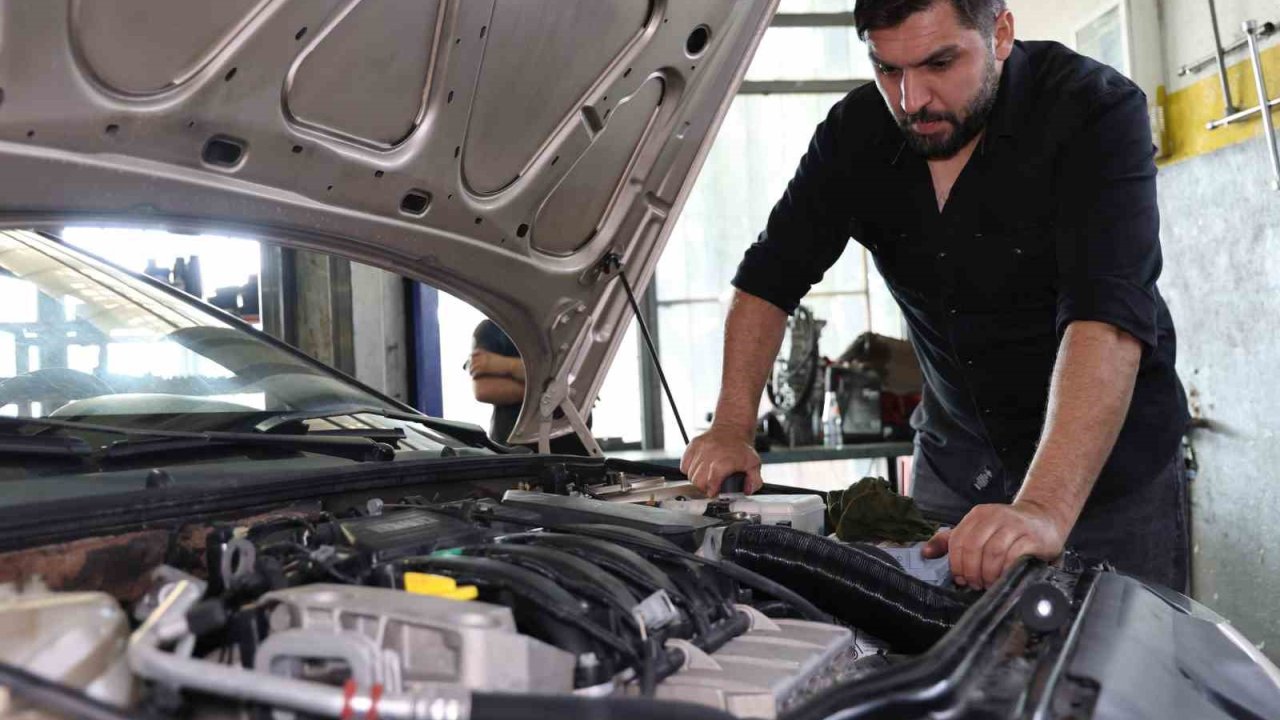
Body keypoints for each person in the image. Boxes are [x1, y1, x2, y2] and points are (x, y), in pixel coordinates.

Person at [681, 0, 1190, 592]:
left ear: (999, 32)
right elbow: (767, 281)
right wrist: (731, 426)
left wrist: (1043, 508)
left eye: (940, 63)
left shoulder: (1093, 112)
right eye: (888, 69)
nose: (911, 99)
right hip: (954, 466)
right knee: (926, 658)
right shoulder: (856, 134)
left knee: (1112, 670)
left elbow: (1105, 318)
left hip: (1102, 479)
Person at [469, 319, 591, 455]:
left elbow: (582, 377)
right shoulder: (491, 328)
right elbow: (485, 390)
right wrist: (559, 390)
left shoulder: (575, 321)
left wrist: (503, 365)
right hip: (513, 447)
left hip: (573, 442)